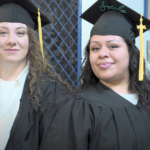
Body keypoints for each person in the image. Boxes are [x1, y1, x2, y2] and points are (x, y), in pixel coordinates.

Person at [42, 0, 150, 150]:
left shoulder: (146, 99)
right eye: (95, 48)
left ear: (131, 53)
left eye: (113, 46)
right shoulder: (79, 108)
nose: (102, 54)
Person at [0, 0, 70, 149]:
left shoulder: (52, 92)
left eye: (20, 33)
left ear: (30, 40)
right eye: (2, 32)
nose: (11, 41)